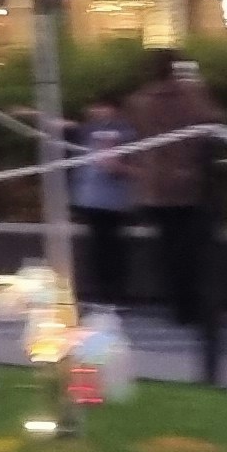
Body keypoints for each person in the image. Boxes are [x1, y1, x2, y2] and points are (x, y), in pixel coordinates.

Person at [120, 48, 225, 374]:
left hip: (155, 190)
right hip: (191, 187)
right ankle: (197, 310)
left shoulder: (139, 101)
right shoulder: (192, 94)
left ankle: (179, 308)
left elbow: (136, 129)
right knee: (196, 253)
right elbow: (215, 120)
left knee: (168, 251)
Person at [72, 96, 137, 310]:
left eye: (101, 107)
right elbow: (68, 127)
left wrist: (116, 166)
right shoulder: (90, 129)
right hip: (91, 200)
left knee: (112, 249)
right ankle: (101, 294)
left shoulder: (124, 132)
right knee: (98, 249)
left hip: (113, 202)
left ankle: (115, 295)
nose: (95, 111)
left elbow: (123, 166)